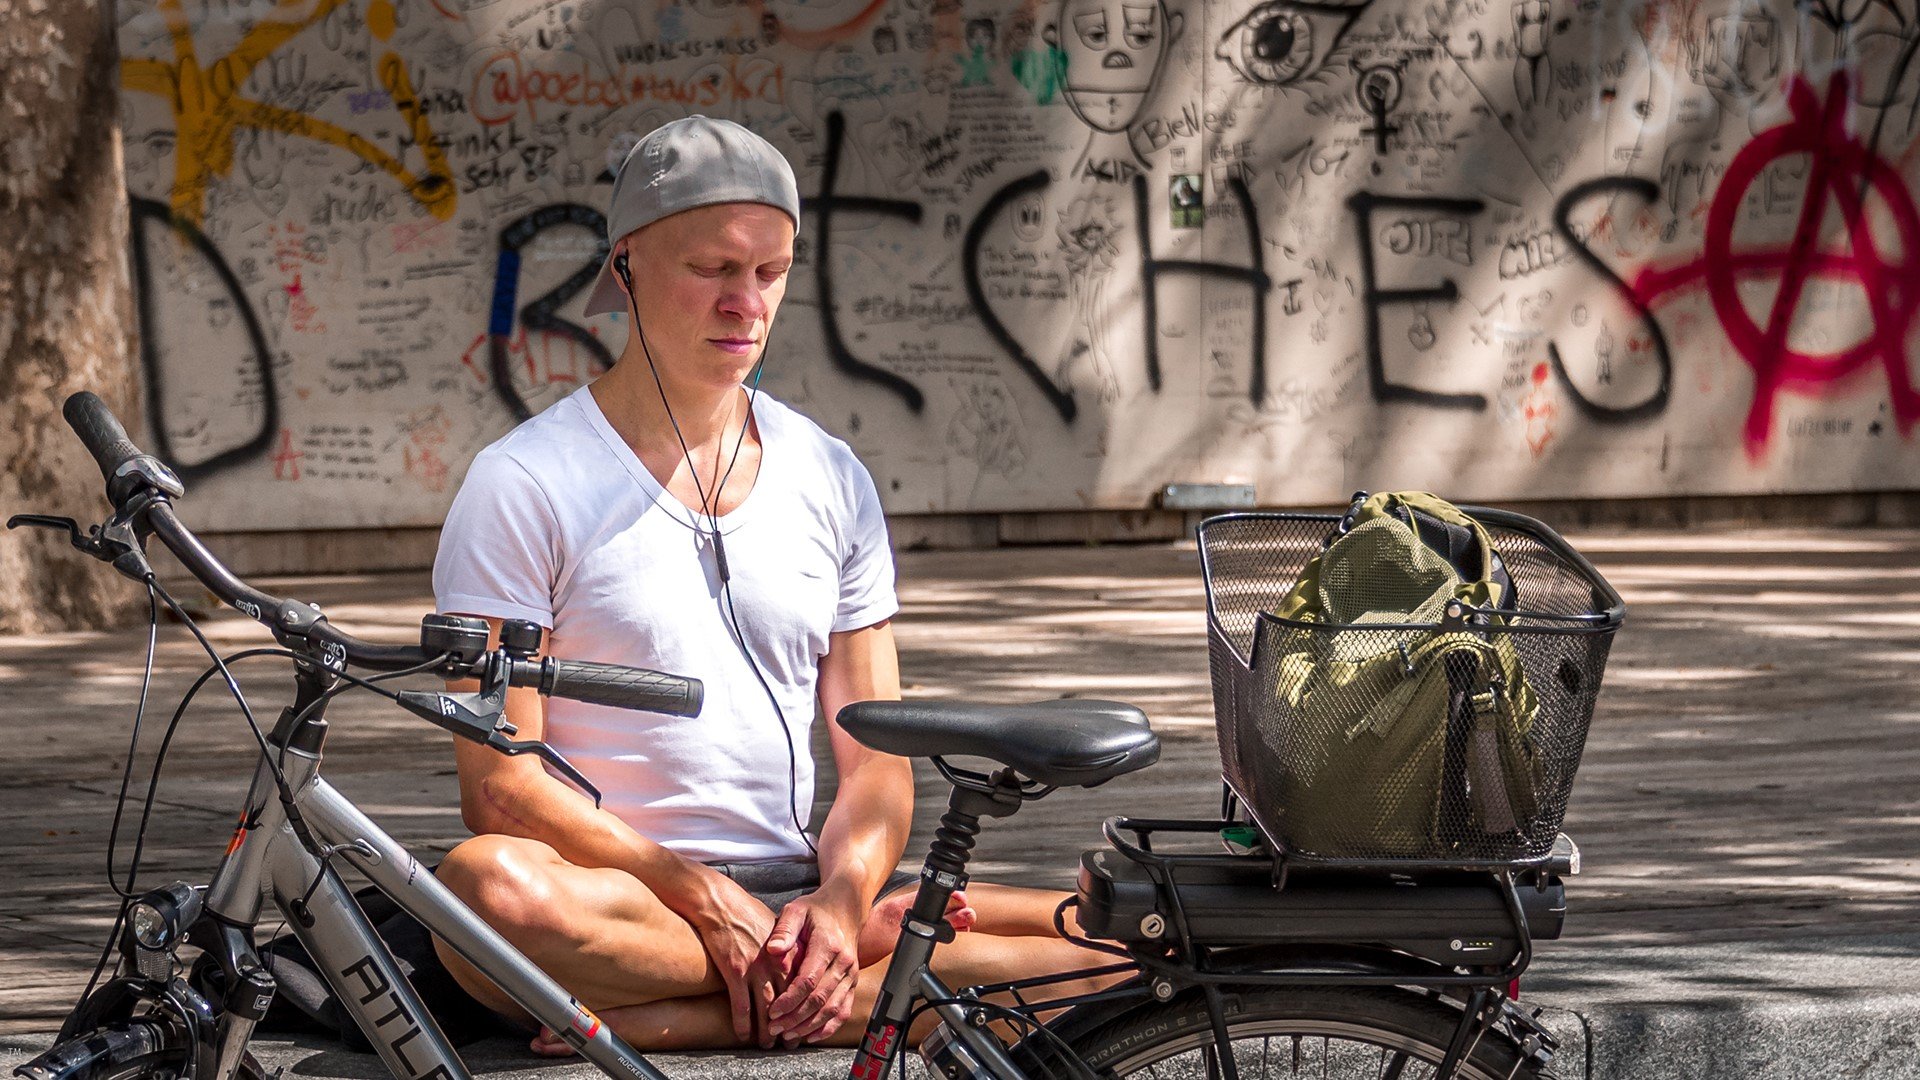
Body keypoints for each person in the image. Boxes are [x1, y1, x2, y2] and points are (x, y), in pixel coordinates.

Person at [429, 115, 1105, 1054]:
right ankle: (874, 986)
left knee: (1120, 955)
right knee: (485, 890)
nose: (745, 303)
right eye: (712, 268)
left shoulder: (828, 473)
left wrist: (842, 899)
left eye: (770, 271)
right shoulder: (523, 482)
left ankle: (700, 1013)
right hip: (623, 897)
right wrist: (700, 895)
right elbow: (500, 788)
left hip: (796, 897)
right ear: (626, 266)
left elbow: (878, 759)